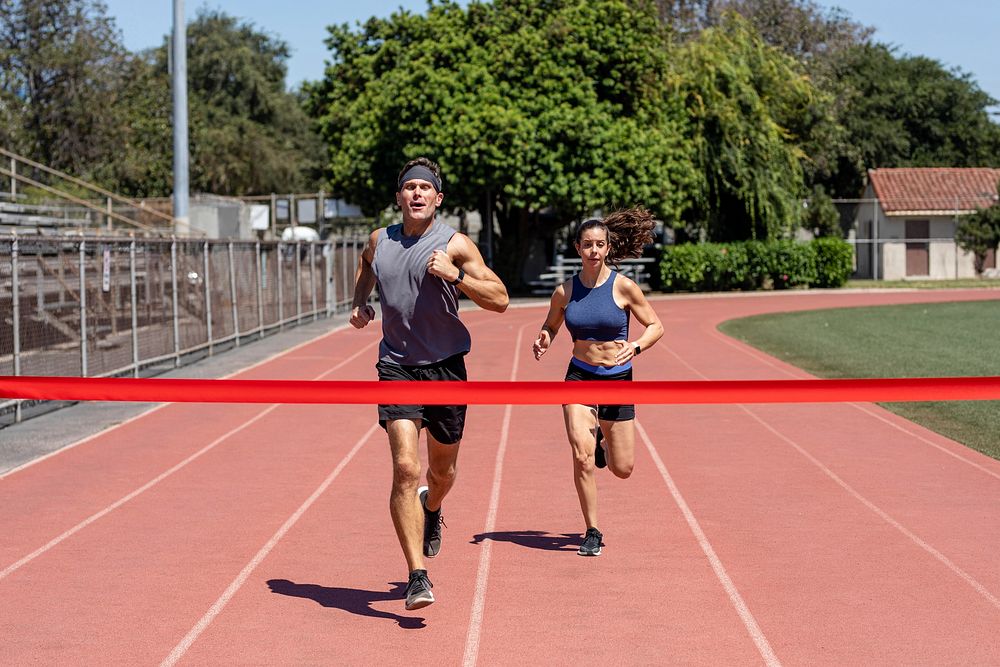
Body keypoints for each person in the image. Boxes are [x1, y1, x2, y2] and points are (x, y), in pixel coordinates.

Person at [350, 157, 509, 610]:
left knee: (442, 473)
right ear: (399, 196)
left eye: (425, 188)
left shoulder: (454, 243)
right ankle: (417, 575)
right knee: (405, 467)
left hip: (446, 367)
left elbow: (500, 299)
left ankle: (433, 509)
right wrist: (361, 303)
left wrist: (457, 276)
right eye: (409, 187)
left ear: (437, 199)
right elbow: (365, 266)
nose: (416, 194)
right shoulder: (379, 241)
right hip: (396, 366)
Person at [532, 207, 664, 556]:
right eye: (587, 244)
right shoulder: (564, 291)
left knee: (623, 469)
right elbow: (552, 325)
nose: (593, 250)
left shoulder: (624, 287)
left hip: (618, 379)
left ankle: (605, 445)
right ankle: (592, 529)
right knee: (581, 456)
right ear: (577, 247)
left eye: (600, 245)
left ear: (607, 248)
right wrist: (545, 337)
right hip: (579, 376)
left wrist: (634, 346)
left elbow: (656, 327)